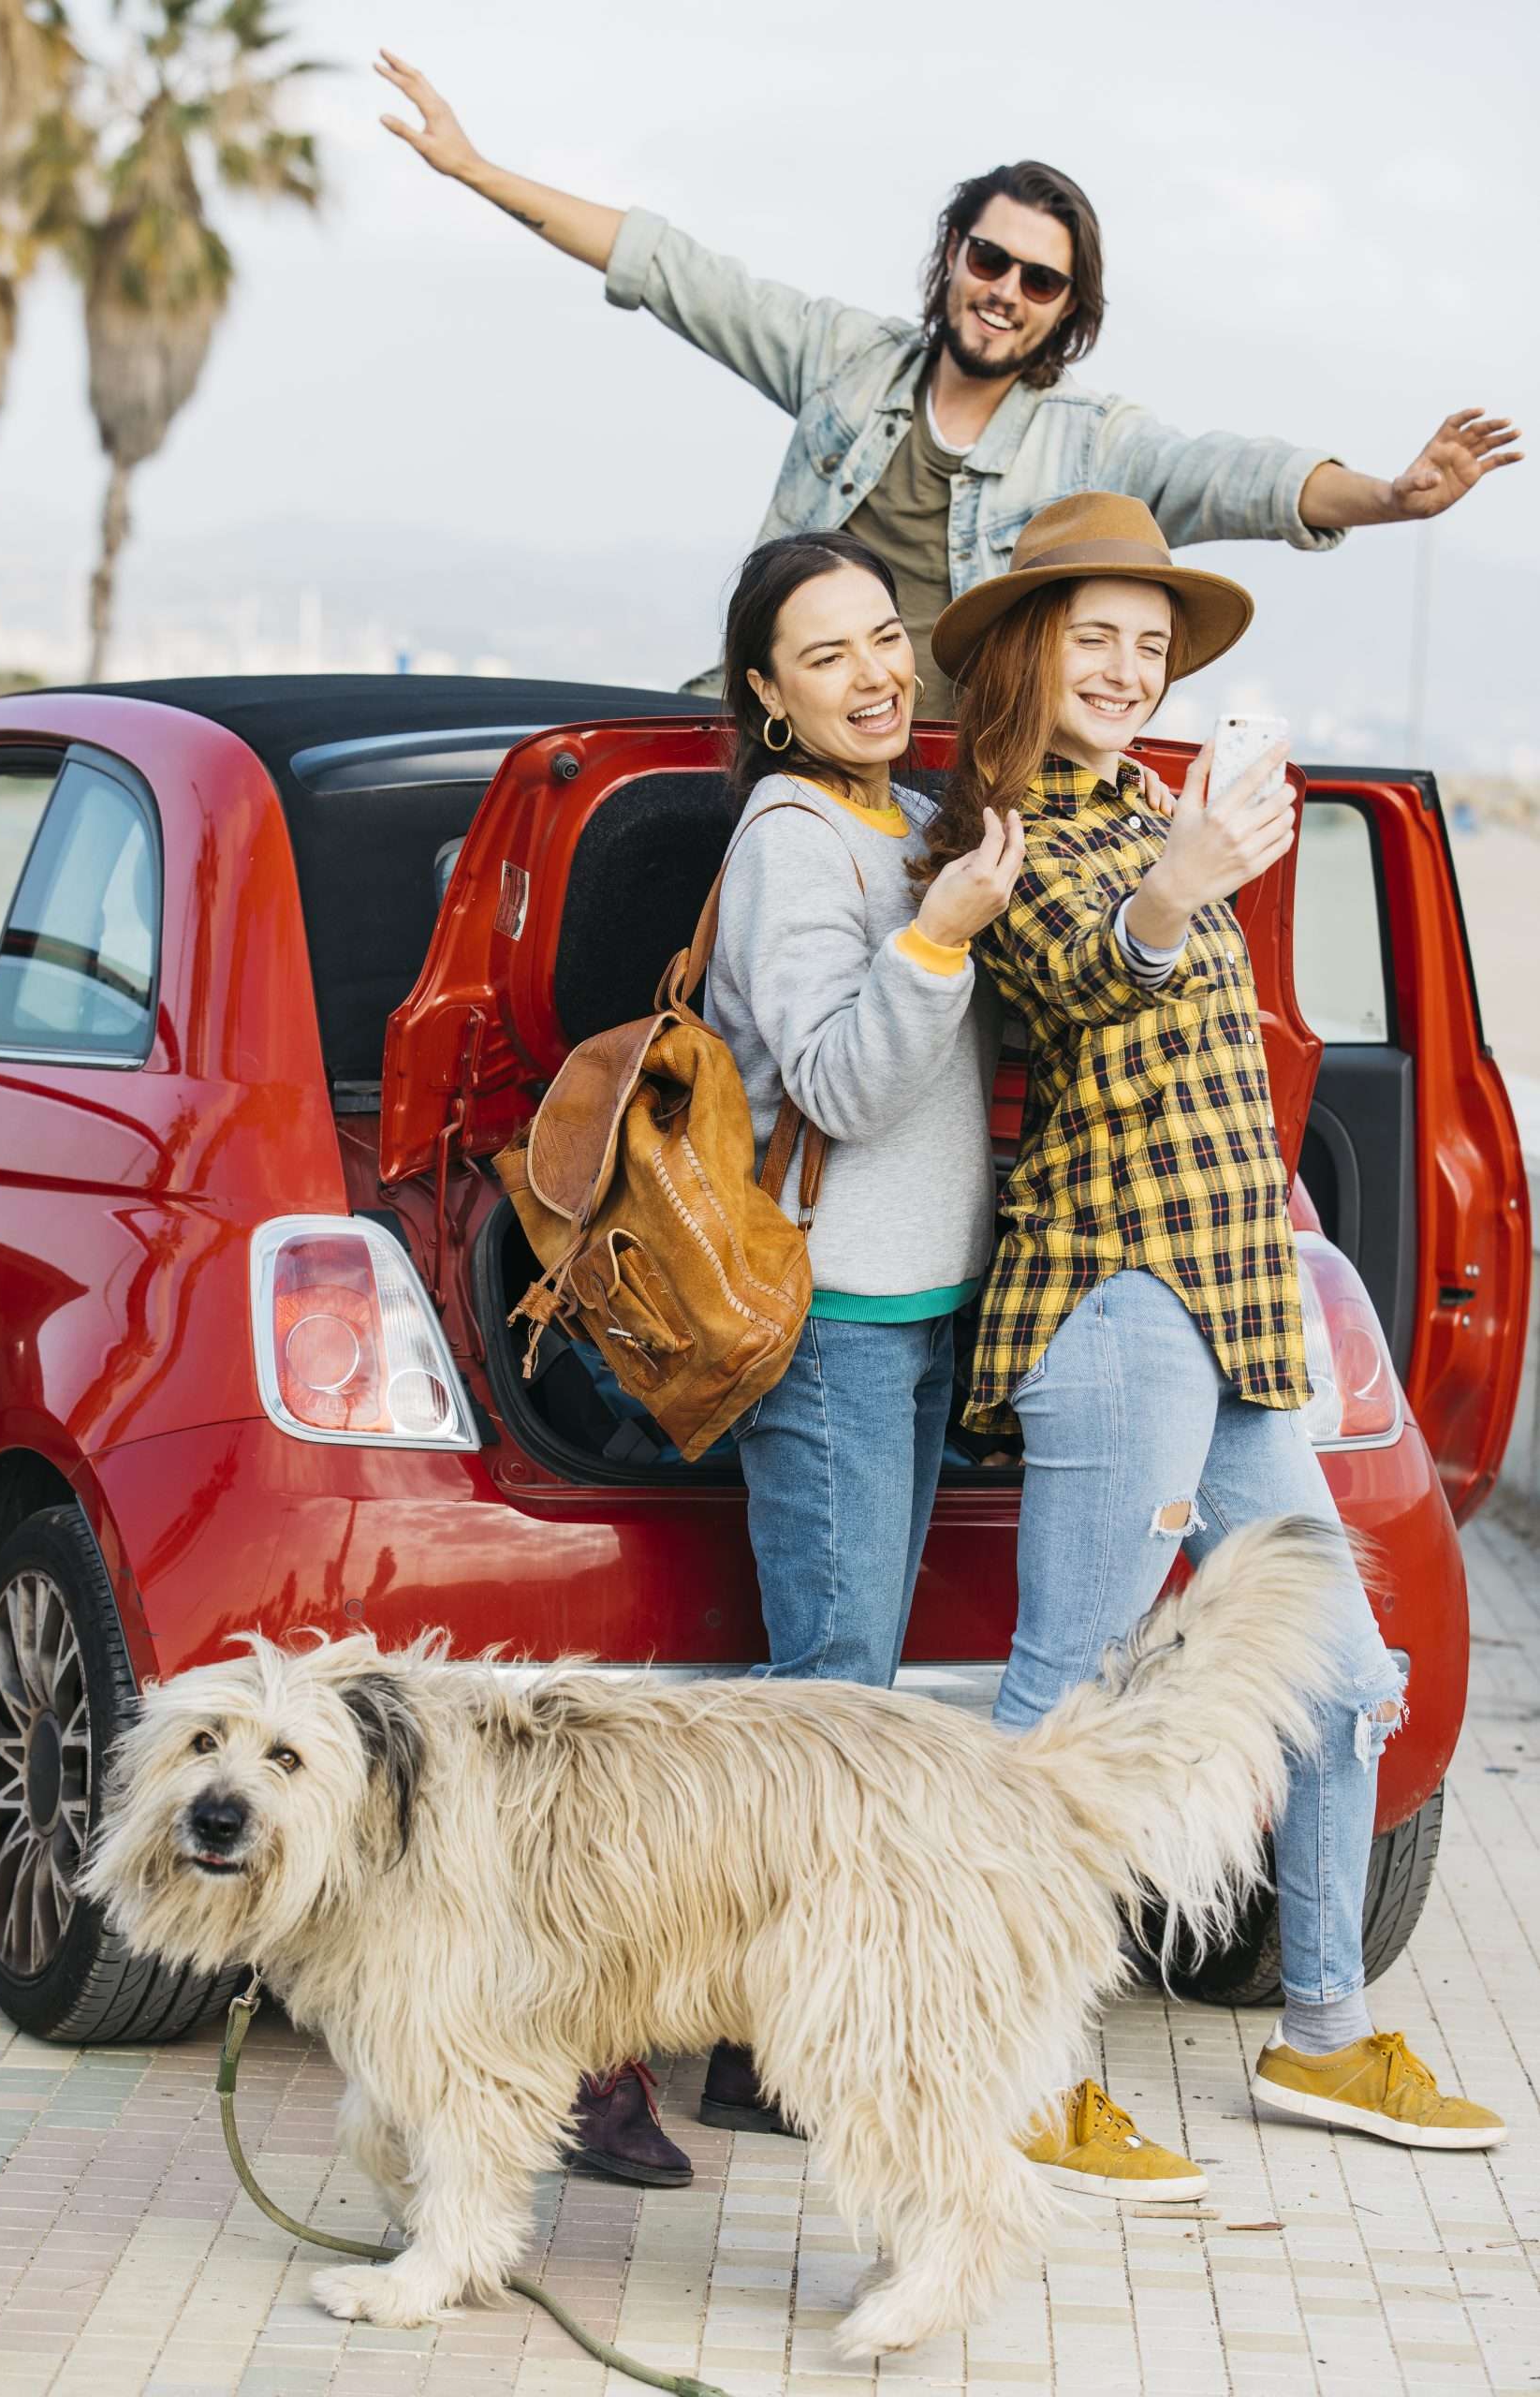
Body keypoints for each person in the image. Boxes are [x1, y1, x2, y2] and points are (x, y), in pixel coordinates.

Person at [911, 490, 1505, 2197]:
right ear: (1025, 650)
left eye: (1148, 647)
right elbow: (1076, 986)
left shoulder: (1169, 809)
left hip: (1234, 1304)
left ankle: (1320, 2036)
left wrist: (1193, 859)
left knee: (1333, 1680)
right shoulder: (1005, 826)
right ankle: (1016, 2067)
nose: (1122, 666)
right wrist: (1173, 889)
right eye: (1091, 635)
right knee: (1071, 1688)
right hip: (1114, 1302)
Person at [374, 49, 1521, 711]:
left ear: (1068, 310)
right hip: (781, 728)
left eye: (1039, 278)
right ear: (952, 257)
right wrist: (475, 169)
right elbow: (674, 269)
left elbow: (1233, 477)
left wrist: (1387, 496)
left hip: (943, 772)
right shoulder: (845, 359)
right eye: (989, 257)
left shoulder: (1087, 442)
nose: (1005, 289)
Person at [695, 526, 1020, 2136]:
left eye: (883, 638)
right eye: (824, 656)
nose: (873, 674)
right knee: (826, 1700)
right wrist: (941, 933)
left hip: (910, 1316)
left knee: (856, 1693)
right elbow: (834, 1083)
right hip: (825, 1327)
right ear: (765, 694)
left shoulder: (897, 818)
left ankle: (771, 2034)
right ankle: (713, 2050)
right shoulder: (789, 841)